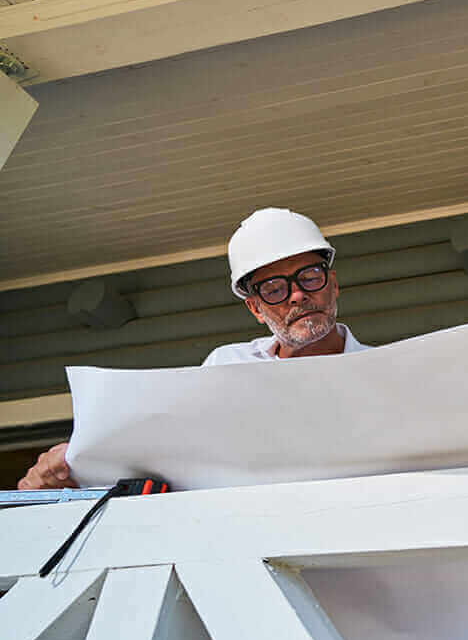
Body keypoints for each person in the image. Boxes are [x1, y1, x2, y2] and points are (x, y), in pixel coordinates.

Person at [17, 207, 367, 490]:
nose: (297, 294)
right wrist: (73, 464)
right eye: (274, 288)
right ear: (256, 309)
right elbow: (161, 449)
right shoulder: (227, 365)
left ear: (332, 285)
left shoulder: (379, 371)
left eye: (309, 277)